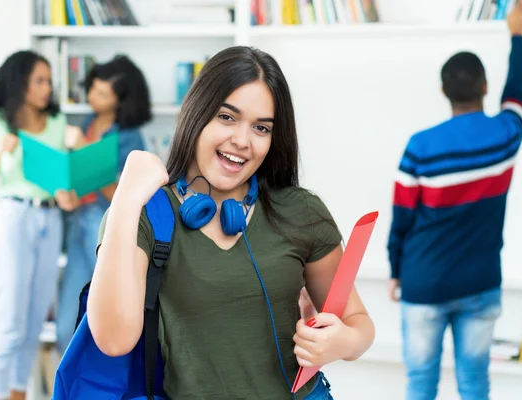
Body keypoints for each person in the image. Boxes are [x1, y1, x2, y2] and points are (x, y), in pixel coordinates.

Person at [88, 45, 376, 400]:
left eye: (261, 127)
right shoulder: (146, 213)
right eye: (226, 117)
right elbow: (113, 339)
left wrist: (340, 341)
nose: (242, 141)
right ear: (197, 114)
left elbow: (359, 323)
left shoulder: (301, 211)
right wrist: (125, 199)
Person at [387, 2, 522, 399]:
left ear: (443, 91)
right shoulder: (504, 136)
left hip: (423, 282)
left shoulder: (420, 148)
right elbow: (518, 95)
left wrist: (396, 270)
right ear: (485, 86)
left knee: (419, 385)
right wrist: (517, 35)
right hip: (480, 284)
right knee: (475, 384)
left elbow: (401, 218)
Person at [0, 50, 77, 400]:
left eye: (49, 80)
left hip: (50, 218)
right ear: (20, 83)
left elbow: (62, 177)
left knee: (34, 323)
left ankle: (19, 393)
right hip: (15, 218)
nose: (48, 88)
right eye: (40, 81)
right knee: (11, 323)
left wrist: (67, 193)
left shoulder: (58, 122)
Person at [55, 54, 152, 354]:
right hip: (77, 226)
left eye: (101, 93)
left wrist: (85, 152)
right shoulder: (86, 123)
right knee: (66, 325)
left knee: (106, 321)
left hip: (106, 228)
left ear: (120, 101)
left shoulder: (128, 138)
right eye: (92, 89)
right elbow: (73, 177)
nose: (91, 98)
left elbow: (124, 195)